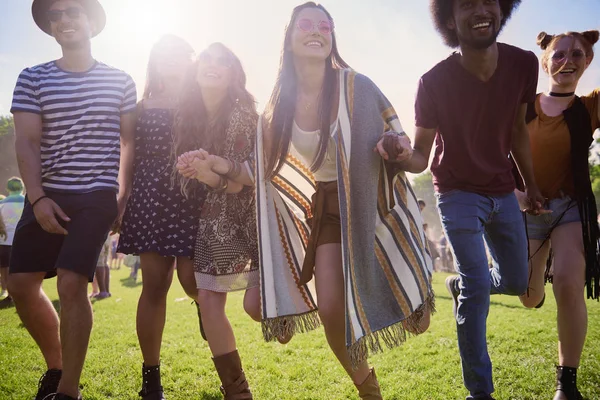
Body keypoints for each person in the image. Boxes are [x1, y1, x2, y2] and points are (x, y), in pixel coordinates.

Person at [194, 4, 434, 398]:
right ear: (289, 37)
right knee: (331, 309)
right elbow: (261, 172)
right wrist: (218, 168)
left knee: (418, 324)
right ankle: (368, 390)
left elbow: (397, 136)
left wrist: (396, 148)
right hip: (325, 206)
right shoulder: (277, 107)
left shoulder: (357, 85)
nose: (317, 31)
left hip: (371, 198)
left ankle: (411, 294)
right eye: (306, 24)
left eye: (325, 25)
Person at [397, 1, 545, 399]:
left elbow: (517, 130)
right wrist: (398, 153)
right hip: (457, 191)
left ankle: (460, 286)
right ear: (449, 19)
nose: (481, 9)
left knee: (517, 282)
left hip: (502, 189)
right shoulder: (433, 83)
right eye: (467, 3)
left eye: (489, 1)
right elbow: (419, 157)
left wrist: (530, 185)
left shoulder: (523, 64)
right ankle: (480, 392)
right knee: (479, 284)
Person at [8, 1, 137, 399]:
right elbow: (26, 142)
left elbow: (129, 142)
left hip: (96, 194)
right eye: (55, 15)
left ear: (91, 21)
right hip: (48, 192)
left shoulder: (121, 81)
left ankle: (67, 392)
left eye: (73, 11)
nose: (64, 20)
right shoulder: (32, 78)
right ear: (50, 27)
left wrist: (122, 195)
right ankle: (56, 366)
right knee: (20, 285)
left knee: (70, 283)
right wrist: (38, 197)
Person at [116, 34, 204, 400]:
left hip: (191, 194)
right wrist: (122, 199)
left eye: (178, 55)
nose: (171, 61)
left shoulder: (202, 102)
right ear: (155, 62)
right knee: (154, 286)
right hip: (150, 198)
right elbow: (128, 155)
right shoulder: (140, 106)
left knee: (190, 278)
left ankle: (204, 306)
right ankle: (151, 377)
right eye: (163, 55)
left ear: (189, 60)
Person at [175, 42, 261, 399]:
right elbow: (218, 184)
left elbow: (251, 178)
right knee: (207, 297)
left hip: (254, 216)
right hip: (214, 213)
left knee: (255, 309)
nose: (212, 66)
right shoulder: (188, 117)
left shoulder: (243, 114)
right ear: (195, 72)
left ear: (232, 74)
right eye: (206, 60)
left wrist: (215, 169)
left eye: (222, 62)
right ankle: (236, 390)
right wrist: (198, 171)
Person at [517, 30, 600, 400]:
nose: (568, 60)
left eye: (578, 55)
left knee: (569, 282)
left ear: (589, 63)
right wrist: (517, 194)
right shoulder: (521, 105)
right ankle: (537, 285)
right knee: (529, 297)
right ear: (544, 61)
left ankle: (566, 383)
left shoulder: (589, 107)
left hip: (570, 209)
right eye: (560, 54)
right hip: (526, 209)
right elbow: (491, 152)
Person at [0, 177, 25, 308]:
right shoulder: (29, 201)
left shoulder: (2, 203)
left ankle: (10, 295)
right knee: (26, 269)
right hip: (24, 240)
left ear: (8, 188)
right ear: (22, 187)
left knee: (6, 269)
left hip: (4, 241)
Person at [93, 235, 111, 300]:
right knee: (104, 262)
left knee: (99, 262)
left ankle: (103, 292)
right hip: (107, 234)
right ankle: (106, 291)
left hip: (99, 234)